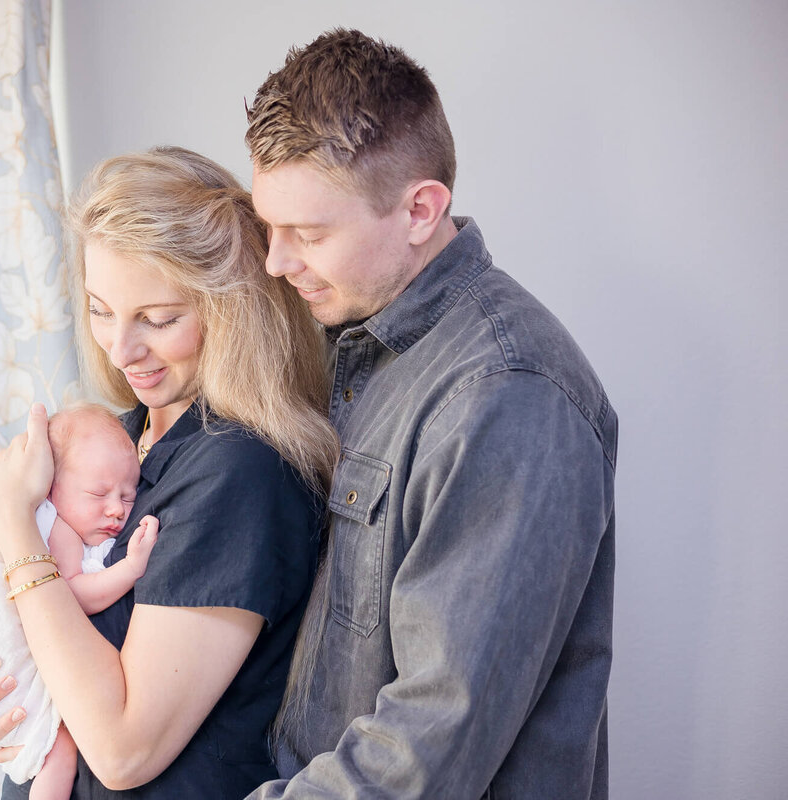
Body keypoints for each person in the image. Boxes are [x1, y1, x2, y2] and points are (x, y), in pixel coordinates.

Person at [243, 29, 618, 799]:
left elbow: (431, 745)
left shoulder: (509, 394)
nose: (277, 263)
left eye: (307, 234)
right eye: (268, 229)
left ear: (420, 209)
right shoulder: (345, 339)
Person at [0, 146, 342, 798]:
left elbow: (121, 750)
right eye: (100, 308)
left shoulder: (241, 473)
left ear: (229, 310)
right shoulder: (114, 442)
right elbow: (49, 649)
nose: (121, 350)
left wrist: (13, 521)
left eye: (158, 318)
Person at [0, 403, 159, 799]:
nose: (116, 509)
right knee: (62, 745)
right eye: (98, 493)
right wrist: (130, 568)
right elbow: (67, 595)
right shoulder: (54, 527)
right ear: (51, 486)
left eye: (129, 496)